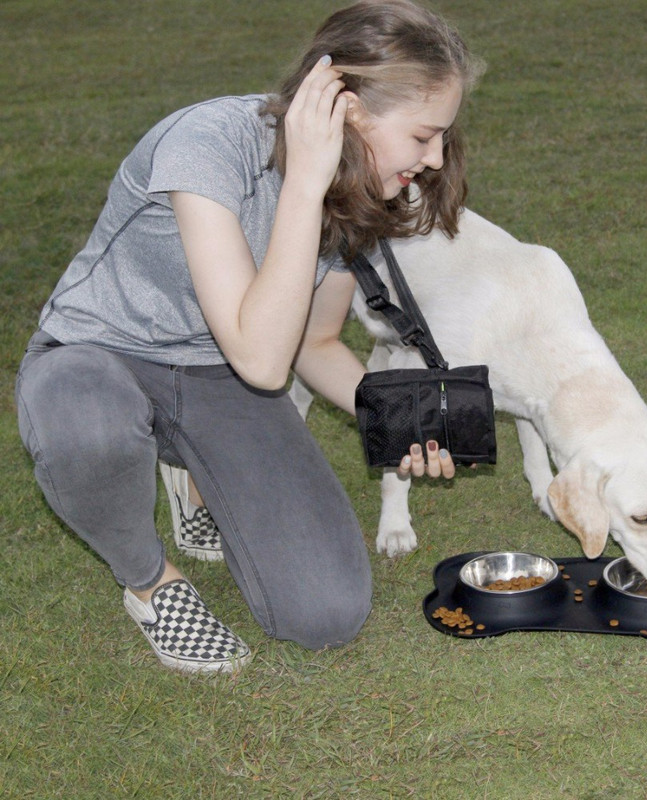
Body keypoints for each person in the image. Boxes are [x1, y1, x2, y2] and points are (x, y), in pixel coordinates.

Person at [15, 0, 483, 674]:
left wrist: (411, 421)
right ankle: (150, 581)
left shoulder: (362, 190)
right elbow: (264, 359)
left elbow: (312, 344)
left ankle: (193, 479)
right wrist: (304, 184)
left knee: (325, 613)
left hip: (221, 377)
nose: (435, 157)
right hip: (98, 358)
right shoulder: (206, 142)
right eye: (422, 135)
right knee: (85, 422)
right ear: (346, 112)